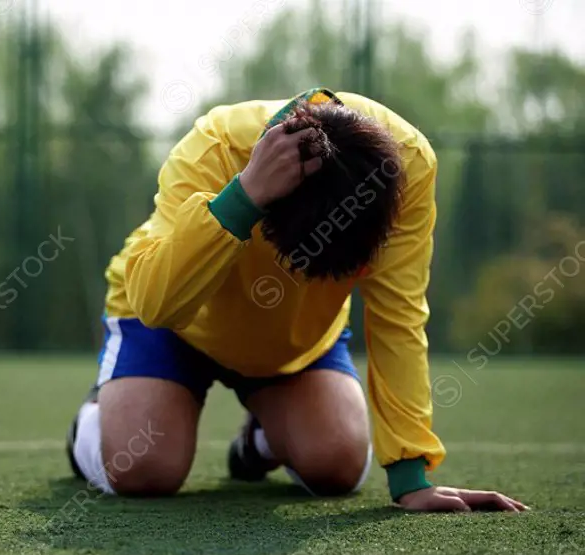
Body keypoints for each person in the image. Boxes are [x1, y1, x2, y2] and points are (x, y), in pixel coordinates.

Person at [65, 88, 528, 513]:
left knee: (337, 467)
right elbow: (157, 304)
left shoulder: (411, 169)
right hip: (174, 325)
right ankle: (90, 426)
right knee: (144, 469)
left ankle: (261, 442)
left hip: (295, 342)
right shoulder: (217, 144)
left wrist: (411, 474)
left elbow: (398, 316)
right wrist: (243, 196)